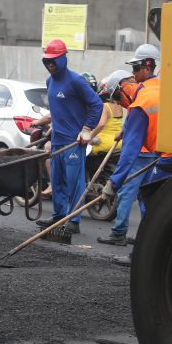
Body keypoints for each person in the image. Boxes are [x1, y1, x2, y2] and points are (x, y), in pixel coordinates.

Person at [35, 39, 103, 234]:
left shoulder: (76, 81)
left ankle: (73, 221)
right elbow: (58, 110)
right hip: (57, 142)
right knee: (57, 181)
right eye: (47, 61)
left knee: (74, 182)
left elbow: (97, 104)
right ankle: (58, 216)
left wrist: (87, 128)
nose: (50, 65)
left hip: (74, 143)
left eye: (54, 61)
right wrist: (51, 128)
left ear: (63, 58)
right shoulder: (49, 82)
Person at [97, 44, 161, 246]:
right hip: (164, 157)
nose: (118, 102)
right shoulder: (160, 88)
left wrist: (113, 183)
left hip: (149, 157)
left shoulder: (140, 103)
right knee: (148, 201)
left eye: (135, 69)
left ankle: (126, 238)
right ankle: (146, 241)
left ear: (148, 66)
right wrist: (126, 130)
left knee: (130, 194)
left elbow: (130, 151)